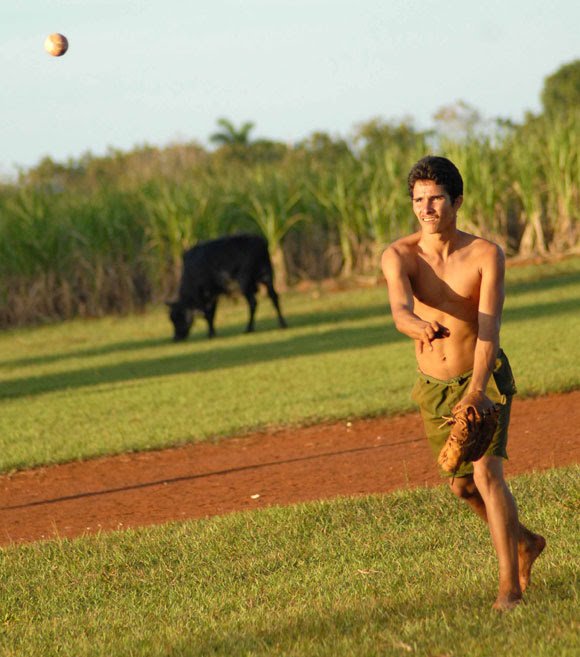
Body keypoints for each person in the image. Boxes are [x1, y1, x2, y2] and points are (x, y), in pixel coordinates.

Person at [381, 155, 545, 611]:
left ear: (456, 201)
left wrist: (476, 390)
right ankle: (526, 542)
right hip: (433, 386)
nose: (426, 209)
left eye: (435, 199)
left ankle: (509, 590)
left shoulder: (486, 254)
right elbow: (398, 309)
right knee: (461, 486)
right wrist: (415, 326)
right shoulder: (399, 255)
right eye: (418, 200)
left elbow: (489, 331)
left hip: (482, 377)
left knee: (487, 476)